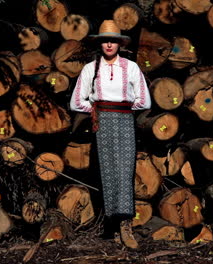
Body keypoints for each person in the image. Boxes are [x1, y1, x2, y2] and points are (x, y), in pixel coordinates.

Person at [70, 20, 151, 249]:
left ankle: (126, 225)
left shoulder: (131, 67)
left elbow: (144, 99)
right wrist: (95, 109)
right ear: (100, 43)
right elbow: (77, 101)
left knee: (125, 170)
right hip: (102, 122)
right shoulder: (91, 68)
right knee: (107, 171)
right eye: (105, 40)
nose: (109, 44)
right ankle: (112, 225)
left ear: (119, 44)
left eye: (113, 41)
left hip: (125, 120)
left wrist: (124, 109)